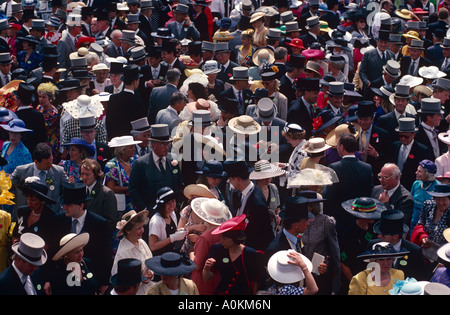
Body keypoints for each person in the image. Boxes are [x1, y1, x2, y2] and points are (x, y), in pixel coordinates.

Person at [54, 182, 112, 294]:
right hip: (63, 278)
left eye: (69, 204)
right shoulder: (58, 220)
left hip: (90, 277)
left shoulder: (99, 224)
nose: (64, 207)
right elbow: (53, 249)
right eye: (64, 204)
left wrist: (104, 282)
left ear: (80, 205)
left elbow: (105, 255)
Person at [322, 133, 374, 233]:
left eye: (337, 145)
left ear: (341, 147)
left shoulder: (334, 167)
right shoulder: (367, 168)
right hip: (360, 216)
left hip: (340, 219)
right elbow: (369, 192)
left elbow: (327, 194)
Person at [203, 214, 265, 295]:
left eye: (224, 239)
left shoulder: (251, 255)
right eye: (221, 238)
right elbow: (206, 278)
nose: (221, 241)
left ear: (235, 238)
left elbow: (255, 281)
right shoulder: (217, 249)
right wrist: (206, 268)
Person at [128, 124, 183, 214]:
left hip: (171, 212)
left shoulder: (172, 159)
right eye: (163, 144)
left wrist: (177, 205)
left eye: (168, 144)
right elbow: (133, 191)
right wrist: (145, 209)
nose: (166, 147)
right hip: (151, 213)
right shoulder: (140, 164)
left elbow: (179, 184)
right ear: (154, 145)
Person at [296, 190, 341, 295]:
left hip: (319, 274)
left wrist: (327, 265)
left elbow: (334, 251)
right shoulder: (295, 222)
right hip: (297, 274)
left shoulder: (326, 222)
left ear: (310, 207)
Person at [223, 160, 274, 252]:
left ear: (237, 179)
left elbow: (261, 235)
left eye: (230, 179)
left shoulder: (257, 203)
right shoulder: (241, 193)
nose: (229, 182)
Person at [370, 209, 430, 281]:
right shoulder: (372, 246)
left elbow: (422, 278)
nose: (378, 236)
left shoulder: (414, 252)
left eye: (383, 234)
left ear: (395, 236)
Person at [10, 142, 69, 214]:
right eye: (47, 163)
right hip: (25, 216)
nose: (51, 165)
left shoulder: (59, 172)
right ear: (36, 162)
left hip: (50, 217)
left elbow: (68, 193)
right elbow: (8, 188)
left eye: (51, 160)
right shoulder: (20, 171)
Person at [188, 197, 232, 295]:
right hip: (217, 279)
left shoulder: (205, 238)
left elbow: (197, 265)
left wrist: (191, 253)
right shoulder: (224, 233)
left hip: (203, 284)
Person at [112, 210, 154, 295]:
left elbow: (150, 263)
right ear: (128, 230)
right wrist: (141, 279)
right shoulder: (123, 252)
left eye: (142, 227)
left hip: (148, 289)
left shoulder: (141, 242)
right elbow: (119, 282)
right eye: (138, 228)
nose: (142, 230)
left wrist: (150, 274)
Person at [12, 176, 57, 251]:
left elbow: (48, 244)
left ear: (42, 201)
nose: (29, 202)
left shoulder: (50, 217)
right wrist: (16, 242)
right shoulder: (22, 211)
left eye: (33, 200)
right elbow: (15, 234)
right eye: (28, 199)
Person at [411, 184, 450, 269]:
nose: (440, 203)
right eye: (438, 199)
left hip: (445, 257)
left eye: (444, 200)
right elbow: (420, 222)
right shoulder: (428, 205)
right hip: (426, 253)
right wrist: (422, 237)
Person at [104, 136, 141, 216]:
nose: (134, 149)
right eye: (130, 147)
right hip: (122, 208)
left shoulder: (135, 160)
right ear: (122, 150)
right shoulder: (112, 165)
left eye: (134, 147)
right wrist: (130, 189)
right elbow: (111, 188)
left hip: (138, 204)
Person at [371, 163, 415, 228]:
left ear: (396, 178)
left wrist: (385, 204)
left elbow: (399, 223)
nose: (381, 180)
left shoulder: (406, 198)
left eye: (385, 177)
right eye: (380, 176)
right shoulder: (376, 189)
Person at [80, 158, 117, 234]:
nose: (84, 177)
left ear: (95, 175)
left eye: (87, 174)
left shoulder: (106, 193)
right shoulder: (80, 191)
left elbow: (111, 222)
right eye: (82, 174)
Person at [148, 187, 187, 257]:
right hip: (160, 257)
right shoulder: (156, 221)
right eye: (168, 203)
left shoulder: (172, 214)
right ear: (162, 205)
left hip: (171, 253)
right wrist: (172, 238)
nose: (172, 205)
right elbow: (152, 246)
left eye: (173, 201)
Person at [249, 160, 285, 235]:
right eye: (265, 177)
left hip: (272, 230)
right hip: (257, 231)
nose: (268, 179)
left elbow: (278, 208)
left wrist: (279, 215)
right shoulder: (252, 192)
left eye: (270, 176)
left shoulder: (273, 188)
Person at [410, 160, 440, 233]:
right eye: (417, 170)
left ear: (428, 174)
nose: (416, 173)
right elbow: (410, 202)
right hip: (414, 221)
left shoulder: (437, 187)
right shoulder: (416, 184)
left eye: (420, 171)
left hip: (428, 224)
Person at [35, 82, 60, 163]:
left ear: (50, 98)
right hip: (41, 140)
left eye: (44, 97)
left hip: (50, 142)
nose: (41, 99)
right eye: (39, 97)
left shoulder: (53, 112)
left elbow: (43, 126)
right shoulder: (39, 107)